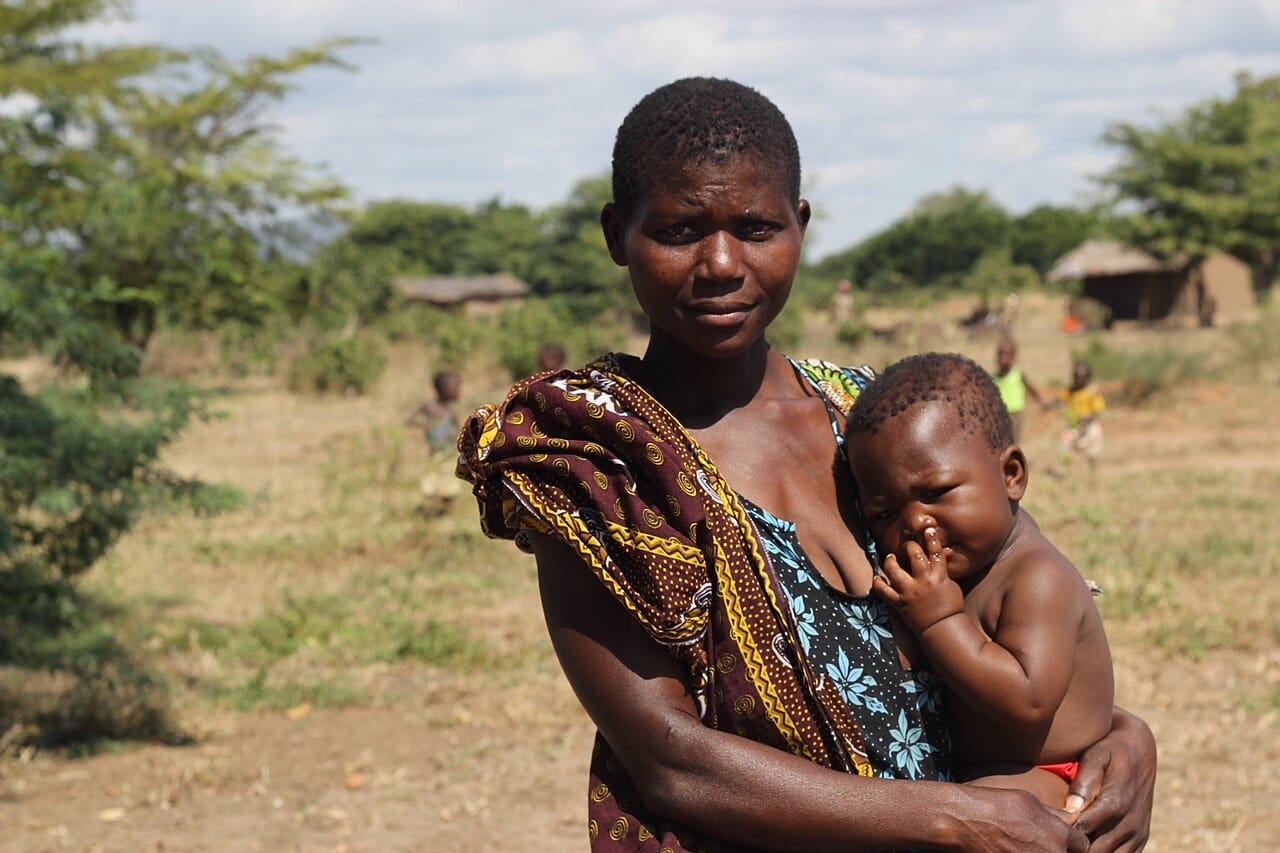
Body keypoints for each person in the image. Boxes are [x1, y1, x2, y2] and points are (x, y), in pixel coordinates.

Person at [457, 77, 1154, 852]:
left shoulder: (869, 414)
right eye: (680, 230)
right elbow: (669, 759)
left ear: (801, 226)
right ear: (619, 234)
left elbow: (1025, 597)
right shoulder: (595, 456)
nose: (720, 262)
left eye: (756, 227)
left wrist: (1119, 736)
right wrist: (956, 818)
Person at [847, 352, 1114, 809]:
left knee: (975, 823)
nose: (915, 523)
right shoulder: (957, 571)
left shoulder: (1038, 578)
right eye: (885, 513)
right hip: (986, 774)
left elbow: (1029, 699)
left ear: (1011, 475)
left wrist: (939, 621)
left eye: (935, 493)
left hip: (1047, 775)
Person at [991, 339, 1046, 442]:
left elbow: (1031, 389)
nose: (1003, 356)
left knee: (1013, 442)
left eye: (1007, 353)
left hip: (1015, 414)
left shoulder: (1018, 375)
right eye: (1001, 353)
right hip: (999, 415)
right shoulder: (994, 378)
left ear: (1013, 357)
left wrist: (1041, 403)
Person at [1059, 362, 1105, 468]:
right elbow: (1060, 400)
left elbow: (1097, 411)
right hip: (1073, 424)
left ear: (1087, 378)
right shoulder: (1070, 390)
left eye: (1081, 377)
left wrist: (1084, 424)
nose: (1078, 380)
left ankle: (1092, 466)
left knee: (1093, 444)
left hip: (1089, 424)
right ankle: (1064, 468)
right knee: (1065, 444)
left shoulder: (1092, 391)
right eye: (1076, 377)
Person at [407, 369, 462, 453]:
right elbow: (409, 421)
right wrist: (424, 424)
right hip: (434, 454)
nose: (458, 390)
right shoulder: (428, 406)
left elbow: (459, 434)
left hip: (447, 454)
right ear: (445, 388)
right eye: (455, 386)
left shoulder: (451, 413)